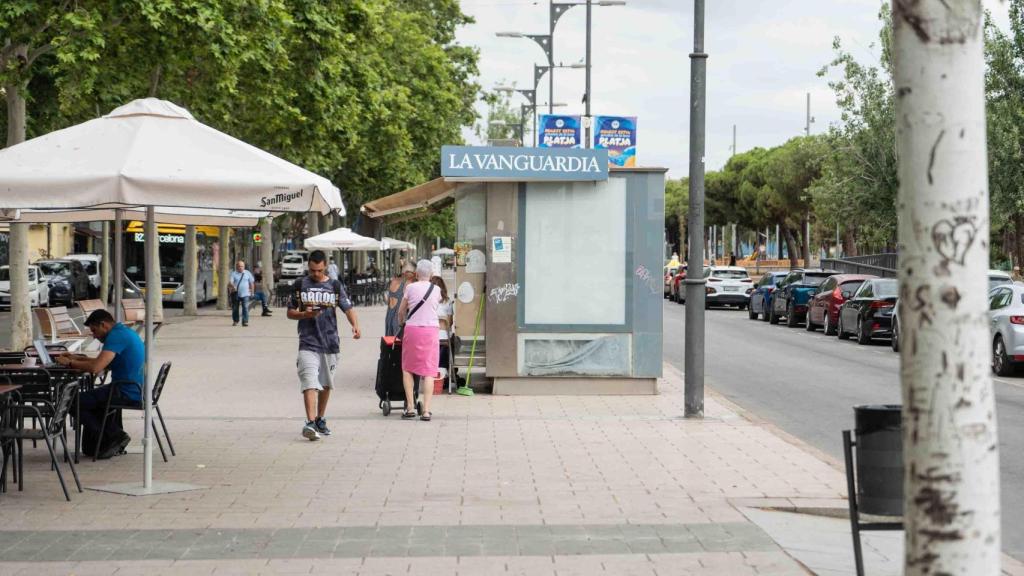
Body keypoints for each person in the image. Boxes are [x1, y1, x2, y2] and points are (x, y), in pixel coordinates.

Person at [287, 250, 361, 441]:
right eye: (312, 270)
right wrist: (304, 315)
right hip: (307, 342)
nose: (315, 274)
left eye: (319, 270)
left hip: (330, 343)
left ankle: (320, 418)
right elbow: (290, 312)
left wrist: (355, 326)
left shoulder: (335, 286)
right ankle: (310, 423)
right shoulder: (300, 285)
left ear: (325, 266)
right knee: (309, 381)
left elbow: (347, 308)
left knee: (326, 385)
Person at [57, 309, 144, 459]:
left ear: (104, 325)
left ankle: (113, 436)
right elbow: (101, 362)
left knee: (72, 402)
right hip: (133, 388)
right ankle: (110, 438)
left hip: (126, 390)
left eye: (94, 330)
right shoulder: (122, 332)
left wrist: (70, 363)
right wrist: (76, 357)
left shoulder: (116, 336)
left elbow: (96, 368)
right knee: (87, 401)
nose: (94, 336)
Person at [397, 260, 442, 421]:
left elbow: (401, 311)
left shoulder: (410, 287)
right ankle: (426, 411)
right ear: (431, 275)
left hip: (412, 330)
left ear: (416, 274)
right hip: (431, 331)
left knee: (408, 368)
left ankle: (410, 407)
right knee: (429, 371)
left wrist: (401, 321)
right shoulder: (436, 289)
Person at [431, 275, 453, 386]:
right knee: (448, 343)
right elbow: (449, 323)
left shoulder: (427, 302)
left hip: (429, 336)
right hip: (444, 337)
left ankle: (432, 371)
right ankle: (444, 371)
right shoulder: (447, 302)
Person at [385, 264, 415, 337]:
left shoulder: (394, 280)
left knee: (390, 343)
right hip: (399, 319)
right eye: (414, 273)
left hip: (389, 316)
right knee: (399, 345)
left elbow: (387, 300)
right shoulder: (408, 284)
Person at [229, 260, 255, 327]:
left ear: (244, 267)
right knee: (235, 308)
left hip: (246, 294)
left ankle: (245, 321)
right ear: (237, 267)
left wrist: (252, 292)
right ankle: (235, 320)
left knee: (245, 308)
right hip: (236, 294)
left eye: (242, 266)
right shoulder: (233, 274)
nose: (241, 267)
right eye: (239, 266)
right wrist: (233, 286)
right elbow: (230, 282)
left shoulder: (247, 273)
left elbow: (251, 283)